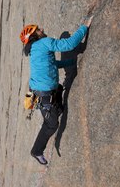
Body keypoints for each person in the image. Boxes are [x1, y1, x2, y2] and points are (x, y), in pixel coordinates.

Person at [20, 16, 93, 165]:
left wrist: (70, 62)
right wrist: (84, 28)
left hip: (42, 91)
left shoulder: (34, 49)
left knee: (59, 91)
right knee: (52, 124)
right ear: (35, 35)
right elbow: (69, 44)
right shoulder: (44, 43)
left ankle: (57, 108)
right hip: (45, 94)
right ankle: (37, 150)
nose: (42, 30)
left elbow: (50, 64)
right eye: (38, 30)